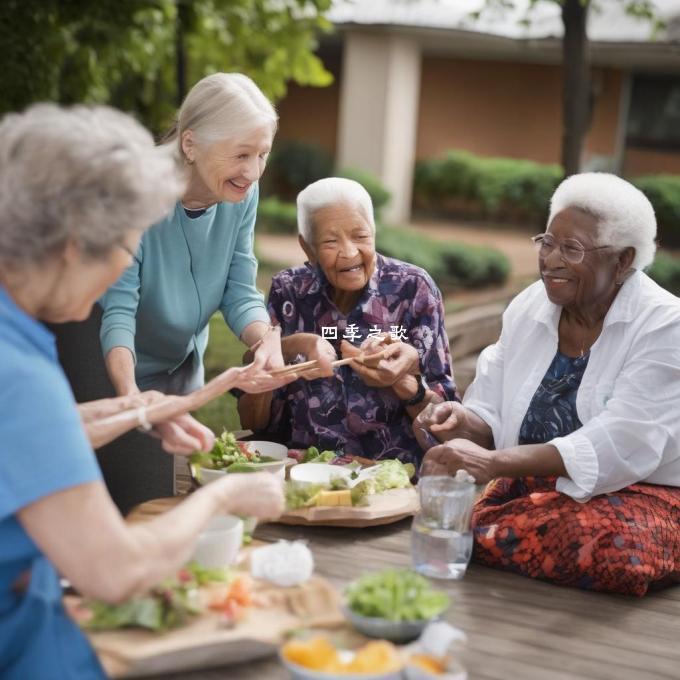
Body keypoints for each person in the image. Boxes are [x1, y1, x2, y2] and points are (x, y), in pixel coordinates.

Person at [0, 103, 285, 679]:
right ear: (75, 245)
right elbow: (115, 572)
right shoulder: (22, 376)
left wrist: (136, 409)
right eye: (126, 250)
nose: (123, 271)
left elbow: (22, 440)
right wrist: (222, 498)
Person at [414, 173, 680, 596]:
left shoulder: (666, 324)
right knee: (518, 517)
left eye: (571, 248)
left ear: (623, 260)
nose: (551, 260)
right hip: (536, 492)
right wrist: (458, 420)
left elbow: (624, 439)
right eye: (547, 242)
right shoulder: (530, 306)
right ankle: (492, 532)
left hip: (644, 495)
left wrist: (496, 464)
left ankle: (476, 534)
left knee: (612, 544)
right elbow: (491, 414)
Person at [98, 72, 285, 496]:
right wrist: (130, 398)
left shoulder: (240, 193)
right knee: (123, 497)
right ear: (190, 144)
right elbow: (119, 308)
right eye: (241, 155)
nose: (253, 171)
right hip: (114, 367)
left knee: (171, 493)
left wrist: (264, 341)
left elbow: (239, 283)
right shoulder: (135, 193)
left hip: (180, 365)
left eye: (262, 155)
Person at [238, 177, 458, 466]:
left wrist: (406, 383)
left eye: (361, 236)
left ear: (374, 233)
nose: (350, 252)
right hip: (307, 471)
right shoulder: (289, 291)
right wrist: (294, 346)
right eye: (330, 241)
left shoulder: (412, 288)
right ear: (308, 248)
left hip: (391, 475)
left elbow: (446, 423)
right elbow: (257, 420)